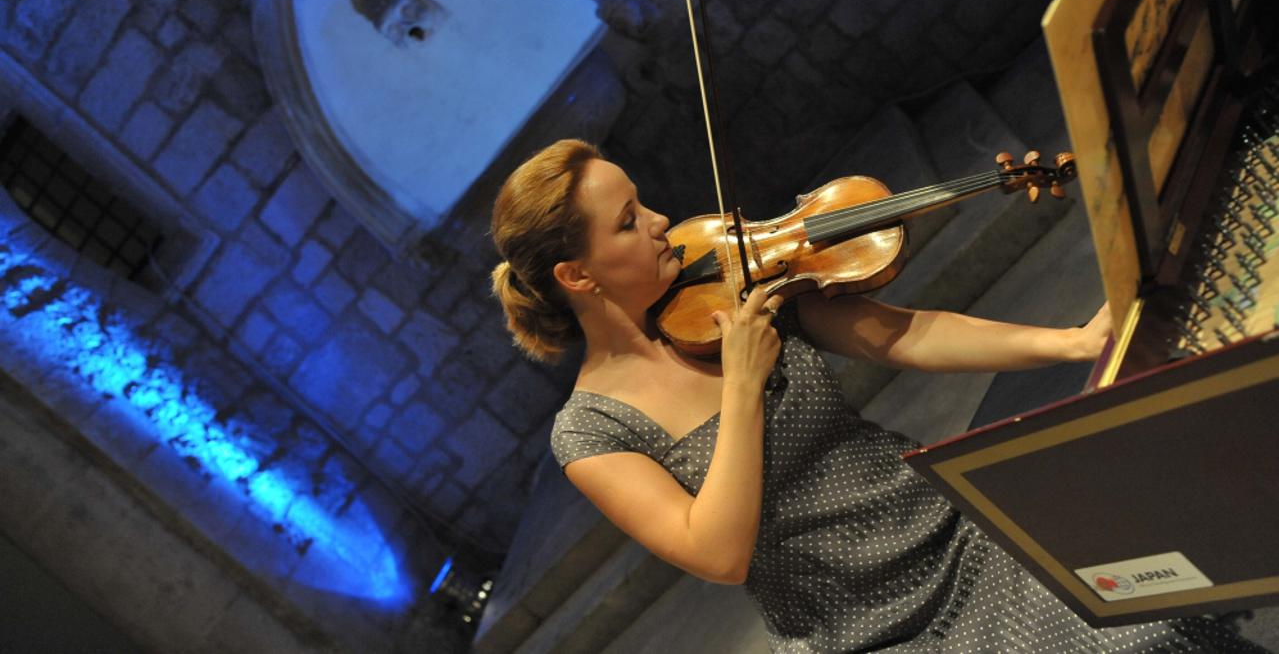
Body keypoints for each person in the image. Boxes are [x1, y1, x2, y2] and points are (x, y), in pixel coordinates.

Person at [489, 138, 1261, 653]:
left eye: (643, 201)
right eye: (629, 222)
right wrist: (746, 384)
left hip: (958, 531)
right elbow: (716, 551)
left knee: (1148, 611)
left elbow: (901, 335)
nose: (662, 221)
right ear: (576, 275)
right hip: (865, 631)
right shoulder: (591, 430)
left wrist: (1066, 342)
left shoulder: (732, 278)